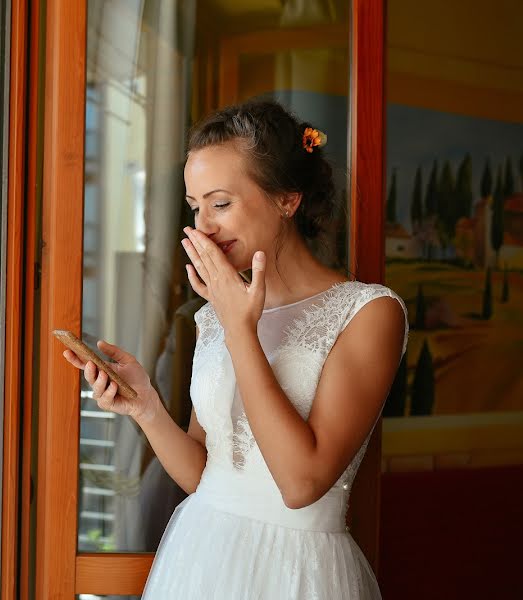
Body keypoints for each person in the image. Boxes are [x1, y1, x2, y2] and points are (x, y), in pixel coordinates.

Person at [62, 100, 407, 599]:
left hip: (297, 572)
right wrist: (146, 407)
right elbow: (209, 474)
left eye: (220, 203)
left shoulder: (369, 313)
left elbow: (301, 484)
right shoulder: (213, 315)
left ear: (287, 200)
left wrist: (239, 326)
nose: (203, 226)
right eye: (195, 206)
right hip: (201, 556)